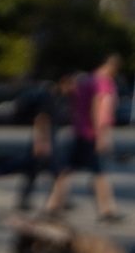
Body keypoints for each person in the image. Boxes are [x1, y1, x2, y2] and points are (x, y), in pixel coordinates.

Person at [44, 54, 124, 223]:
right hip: (92, 134)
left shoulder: (84, 81)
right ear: (111, 66)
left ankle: (53, 204)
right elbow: (98, 105)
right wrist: (101, 134)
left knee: (67, 170)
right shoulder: (101, 81)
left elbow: (74, 104)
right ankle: (107, 210)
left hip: (80, 130)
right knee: (100, 172)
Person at [16, 74, 73, 213]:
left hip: (47, 138)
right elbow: (41, 118)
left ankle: (55, 200)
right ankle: (53, 203)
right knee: (53, 171)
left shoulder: (60, 97)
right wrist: (41, 141)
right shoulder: (50, 97)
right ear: (64, 82)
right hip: (45, 138)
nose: (73, 88)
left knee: (37, 171)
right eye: (71, 84)